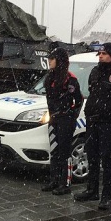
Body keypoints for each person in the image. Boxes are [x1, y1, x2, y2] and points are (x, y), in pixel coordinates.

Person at [74, 42, 111, 210]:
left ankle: (106, 196)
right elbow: (93, 92)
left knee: (107, 159)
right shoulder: (94, 72)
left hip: (108, 122)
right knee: (92, 156)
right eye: (99, 53)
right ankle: (92, 190)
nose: (100, 56)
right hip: (92, 120)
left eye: (104, 53)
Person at [40, 47, 83, 195]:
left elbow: (78, 100)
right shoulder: (50, 78)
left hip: (65, 120)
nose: (49, 61)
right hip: (53, 119)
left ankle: (64, 183)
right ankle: (54, 180)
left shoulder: (70, 79)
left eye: (52, 59)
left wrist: (71, 115)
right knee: (54, 151)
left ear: (59, 61)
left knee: (64, 152)